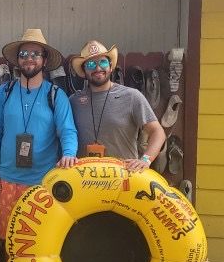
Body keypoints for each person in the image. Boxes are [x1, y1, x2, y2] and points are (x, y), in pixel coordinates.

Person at [0, 29, 78, 262]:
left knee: (38, 240)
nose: (29, 59)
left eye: (35, 53)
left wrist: (70, 155)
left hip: (41, 182)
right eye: (24, 54)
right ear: (17, 60)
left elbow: (68, 131)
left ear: (44, 59)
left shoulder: (55, 95)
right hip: (8, 180)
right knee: (9, 240)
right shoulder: (5, 92)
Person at [68, 39, 165, 172]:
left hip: (123, 179)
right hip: (85, 182)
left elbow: (157, 132)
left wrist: (145, 160)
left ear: (111, 65)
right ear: (84, 70)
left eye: (102, 62)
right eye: (90, 64)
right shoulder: (74, 101)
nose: (97, 68)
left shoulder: (132, 97)